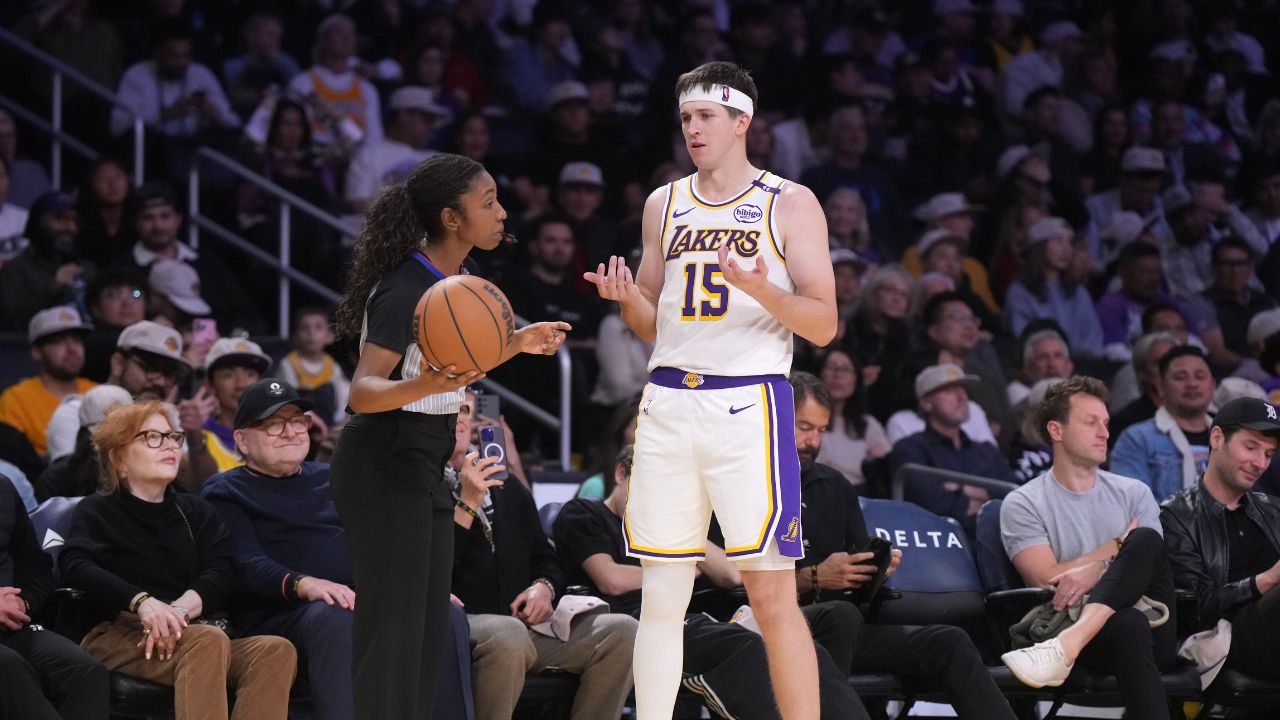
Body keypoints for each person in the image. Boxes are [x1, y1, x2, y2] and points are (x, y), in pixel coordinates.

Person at [585, 61, 836, 718]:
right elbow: (651, 322)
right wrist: (624, 302)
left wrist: (760, 287)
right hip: (668, 401)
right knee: (663, 595)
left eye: (705, 117)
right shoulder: (662, 203)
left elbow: (825, 322)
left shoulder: (790, 202)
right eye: (686, 118)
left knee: (771, 595)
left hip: (748, 404)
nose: (693, 129)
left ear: (741, 121)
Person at [327, 152, 569, 720]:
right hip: (382, 461)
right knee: (394, 633)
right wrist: (429, 382)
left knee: (431, 628)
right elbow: (362, 392)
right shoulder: (403, 288)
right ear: (451, 219)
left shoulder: (462, 283)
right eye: (488, 204)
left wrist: (518, 342)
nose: (502, 212)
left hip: (427, 460)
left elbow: (462, 362)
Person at [201, 378, 471, 720]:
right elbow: (244, 562)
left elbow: (382, 539)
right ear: (241, 439)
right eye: (273, 424)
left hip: (356, 596)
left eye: (297, 421)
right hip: (279, 612)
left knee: (443, 614)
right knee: (336, 614)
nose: (290, 432)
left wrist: (416, 586)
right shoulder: (225, 490)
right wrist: (305, 584)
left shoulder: (331, 476)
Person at [554, 444, 871, 720]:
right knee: (742, 644)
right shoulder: (583, 513)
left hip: (689, 620)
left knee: (800, 646)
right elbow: (611, 580)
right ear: (622, 474)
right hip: (627, 624)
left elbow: (731, 575)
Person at [787, 371, 1018, 719]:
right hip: (777, 625)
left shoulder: (834, 485)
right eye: (804, 427)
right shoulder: (742, 481)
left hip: (848, 628)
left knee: (948, 640)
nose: (813, 442)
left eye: (821, 431)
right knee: (841, 616)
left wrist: (875, 573)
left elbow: (859, 579)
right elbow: (729, 587)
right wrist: (814, 577)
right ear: (775, 417)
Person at [60, 400, 297, 719]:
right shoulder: (98, 510)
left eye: (172, 437)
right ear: (118, 459)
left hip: (189, 630)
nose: (168, 445)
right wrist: (143, 603)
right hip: (117, 632)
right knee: (206, 640)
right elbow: (77, 565)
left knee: (275, 650)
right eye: (152, 437)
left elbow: (221, 568)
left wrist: (178, 612)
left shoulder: (194, 510)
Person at [999, 377, 1179, 720]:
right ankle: (1070, 643)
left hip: (1156, 622)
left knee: (1144, 541)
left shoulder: (1134, 493)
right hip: (1078, 626)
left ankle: (1063, 650)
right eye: (1091, 422)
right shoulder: (1023, 502)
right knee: (1127, 621)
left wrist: (1098, 570)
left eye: (1106, 423)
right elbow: (1046, 578)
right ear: (1056, 430)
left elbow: (1150, 562)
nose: (1105, 433)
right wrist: (1115, 547)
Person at [448, 399, 635, 720]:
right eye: (454, 412)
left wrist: (544, 588)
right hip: (456, 622)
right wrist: (466, 503)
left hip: (525, 625)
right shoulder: (421, 487)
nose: (463, 421)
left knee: (622, 631)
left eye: (468, 412)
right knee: (508, 634)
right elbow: (432, 567)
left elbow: (546, 557)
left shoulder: (507, 489)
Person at [1160, 397, 1280, 685]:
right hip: (1224, 638)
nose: (1260, 463)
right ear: (1217, 438)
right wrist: (1266, 580)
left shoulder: (1274, 509)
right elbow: (1196, 609)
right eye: (1250, 447)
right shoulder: (1176, 515)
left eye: (1269, 454)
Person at [0, 473, 108, 719]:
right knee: (8, 666)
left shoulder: (3, 487)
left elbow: (35, 565)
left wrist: (23, 601)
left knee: (85, 670)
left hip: (11, 627)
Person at [889, 363, 1016, 535]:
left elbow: (1015, 496)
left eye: (964, 390)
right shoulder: (910, 449)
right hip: (942, 545)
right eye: (949, 391)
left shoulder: (986, 450)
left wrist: (958, 491)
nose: (961, 397)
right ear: (926, 403)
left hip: (997, 539)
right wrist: (984, 498)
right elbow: (930, 504)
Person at [1111, 345, 1217, 501]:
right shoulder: (1136, 439)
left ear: (1213, 385)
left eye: (1200, 376)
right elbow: (1132, 505)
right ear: (1160, 386)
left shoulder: (1230, 437)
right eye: (1180, 377)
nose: (1192, 384)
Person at [0, 306, 96, 456]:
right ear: (37, 352)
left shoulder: (97, 392)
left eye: (76, 340)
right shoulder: (16, 398)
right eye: (59, 341)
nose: (72, 348)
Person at [1004, 216, 1103, 357]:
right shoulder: (1020, 292)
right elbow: (1022, 338)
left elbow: (1093, 336)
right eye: (1058, 241)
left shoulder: (1079, 291)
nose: (1066, 249)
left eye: (1069, 243)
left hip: (1083, 366)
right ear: (1039, 247)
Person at [814, 348, 889, 490]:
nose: (838, 375)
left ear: (856, 380)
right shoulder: (798, 419)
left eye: (846, 369)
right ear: (819, 374)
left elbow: (885, 466)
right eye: (831, 367)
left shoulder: (868, 425)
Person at [200, 338, 273, 476]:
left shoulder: (278, 434)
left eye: (250, 374)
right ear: (210, 386)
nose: (241, 385)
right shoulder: (197, 437)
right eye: (228, 375)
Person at [277, 306, 349, 427]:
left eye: (318, 327)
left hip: (329, 419)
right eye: (305, 328)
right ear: (295, 336)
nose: (311, 333)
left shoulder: (332, 365)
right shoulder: (288, 364)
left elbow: (341, 397)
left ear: (330, 336)